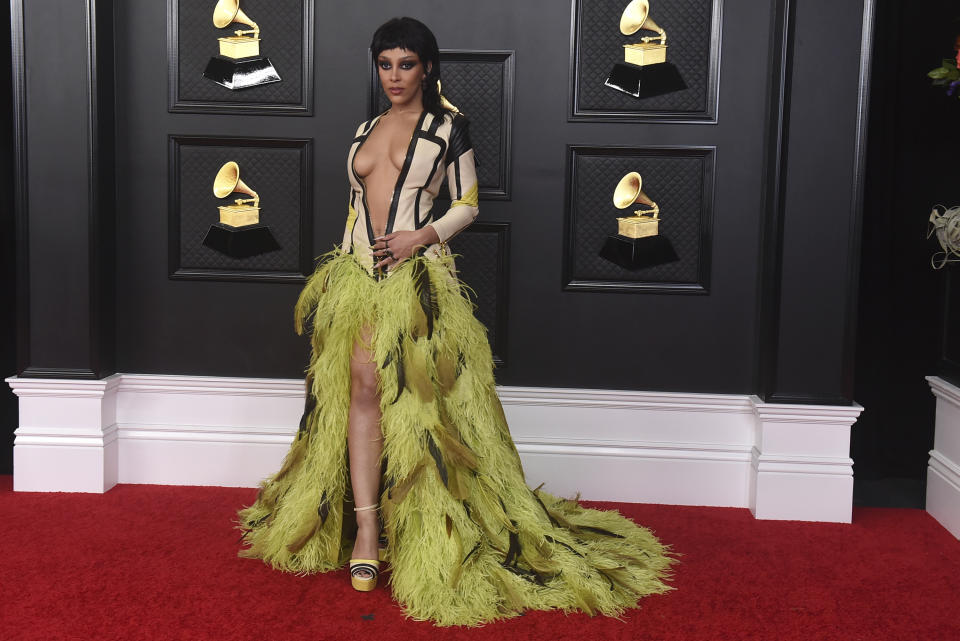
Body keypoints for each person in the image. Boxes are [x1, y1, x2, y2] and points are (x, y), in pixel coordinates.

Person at [236, 16, 673, 627]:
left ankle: (424, 532)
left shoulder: (447, 130)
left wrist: (421, 236)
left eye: (406, 64)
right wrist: (340, 275)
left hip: (419, 281)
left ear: (427, 67)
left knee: (422, 408)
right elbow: (355, 207)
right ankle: (366, 531)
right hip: (357, 280)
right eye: (385, 64)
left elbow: (469, 203)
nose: (394, 76)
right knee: (360, 390)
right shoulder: (365, 128)